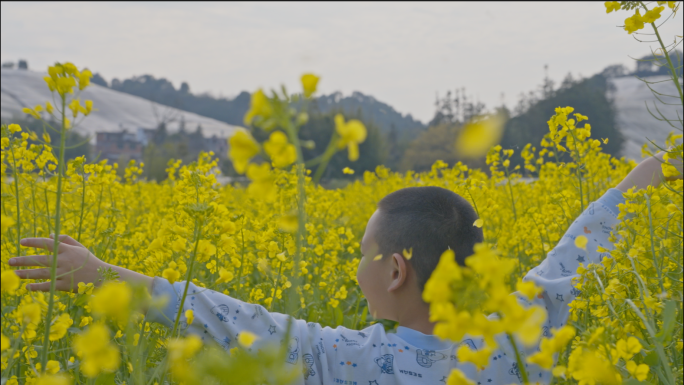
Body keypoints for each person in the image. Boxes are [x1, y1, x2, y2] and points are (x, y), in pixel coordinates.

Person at [9, 152, 682, 384]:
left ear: (395, 270)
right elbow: (598, 229)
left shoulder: (347, 360)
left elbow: (224, 317)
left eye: (362, 254)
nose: (354, 268)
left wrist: (102, 274)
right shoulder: (529, 321)